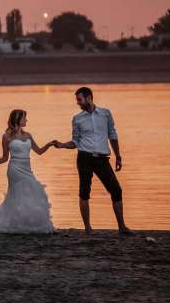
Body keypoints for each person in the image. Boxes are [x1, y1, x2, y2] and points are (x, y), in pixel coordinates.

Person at [50, 87, 133, 236]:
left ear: (89, 98)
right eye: (77, 100)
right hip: (84, 158)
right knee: (84, 192)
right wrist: (62, 145)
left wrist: (118, 156)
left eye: (79, 99)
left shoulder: (105, 114)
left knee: (116, 190)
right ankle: (88, 228)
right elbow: (75, 142)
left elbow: (112, 135)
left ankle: (122, 227)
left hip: (102, 159)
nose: (78, 103)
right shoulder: (77, 119)